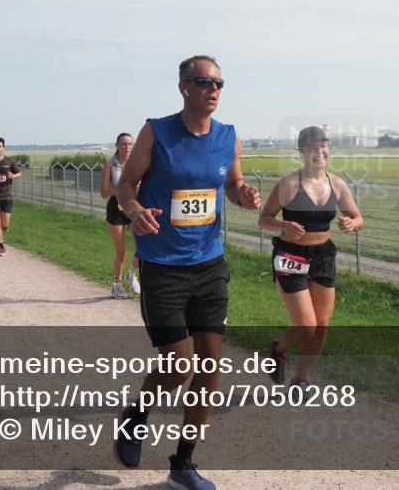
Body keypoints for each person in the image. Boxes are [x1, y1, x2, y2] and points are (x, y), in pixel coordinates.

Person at [114, 55, 260, 490]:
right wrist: (136, 211)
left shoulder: (228, 137)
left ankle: (183, 463)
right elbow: (126, 185)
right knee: (177, 367)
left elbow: (231, 186)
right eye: (204, 81)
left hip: (209, 263)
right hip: (163, 266)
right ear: (183, 87)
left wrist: (244, 193)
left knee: (210, 365)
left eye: (219, 83)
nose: (213, 89)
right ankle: (137, 413)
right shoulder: (156, 131)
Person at [257, 126, 363, 388]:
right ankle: (278, 350)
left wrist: (352, 224)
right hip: (291, 255)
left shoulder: (336, 183)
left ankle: (301, 378)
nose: (320, 152)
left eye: (323, 146)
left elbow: (358, 217)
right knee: (306, 326)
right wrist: (283, 225)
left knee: (322, 325)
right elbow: (264, 219)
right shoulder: (289, 184)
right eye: (313, 148)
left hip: (323, 256)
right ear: (302, 152)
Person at [100, 132, 141, 298]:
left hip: (133, 208)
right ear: (117, 146)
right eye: (124, 144)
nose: (127, 147)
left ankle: (131, 274)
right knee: (121, 252)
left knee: (142, 247)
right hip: (116, 210)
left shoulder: (137, 163)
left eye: (130, 144)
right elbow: (103, 193)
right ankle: (116, 285)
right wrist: (120, 188)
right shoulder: (110, 165)